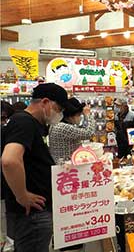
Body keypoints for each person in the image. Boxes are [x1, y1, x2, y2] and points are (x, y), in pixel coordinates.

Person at [2, 83, 69, 252]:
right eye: (59, 108)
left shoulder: (30, 123)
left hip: (34, 213)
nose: (59, 114)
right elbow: (9, 160)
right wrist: (22, 195)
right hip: (32, 215)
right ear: (45, 102)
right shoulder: (24, 122)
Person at [47, 99, 96, 164]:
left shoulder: (58, 124)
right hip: (65, 166)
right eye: (78, 115)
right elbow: (89, 133)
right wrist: (88, 115)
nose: (80, 117)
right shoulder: (63, 127)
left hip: (64, 164)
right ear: (70, 116)